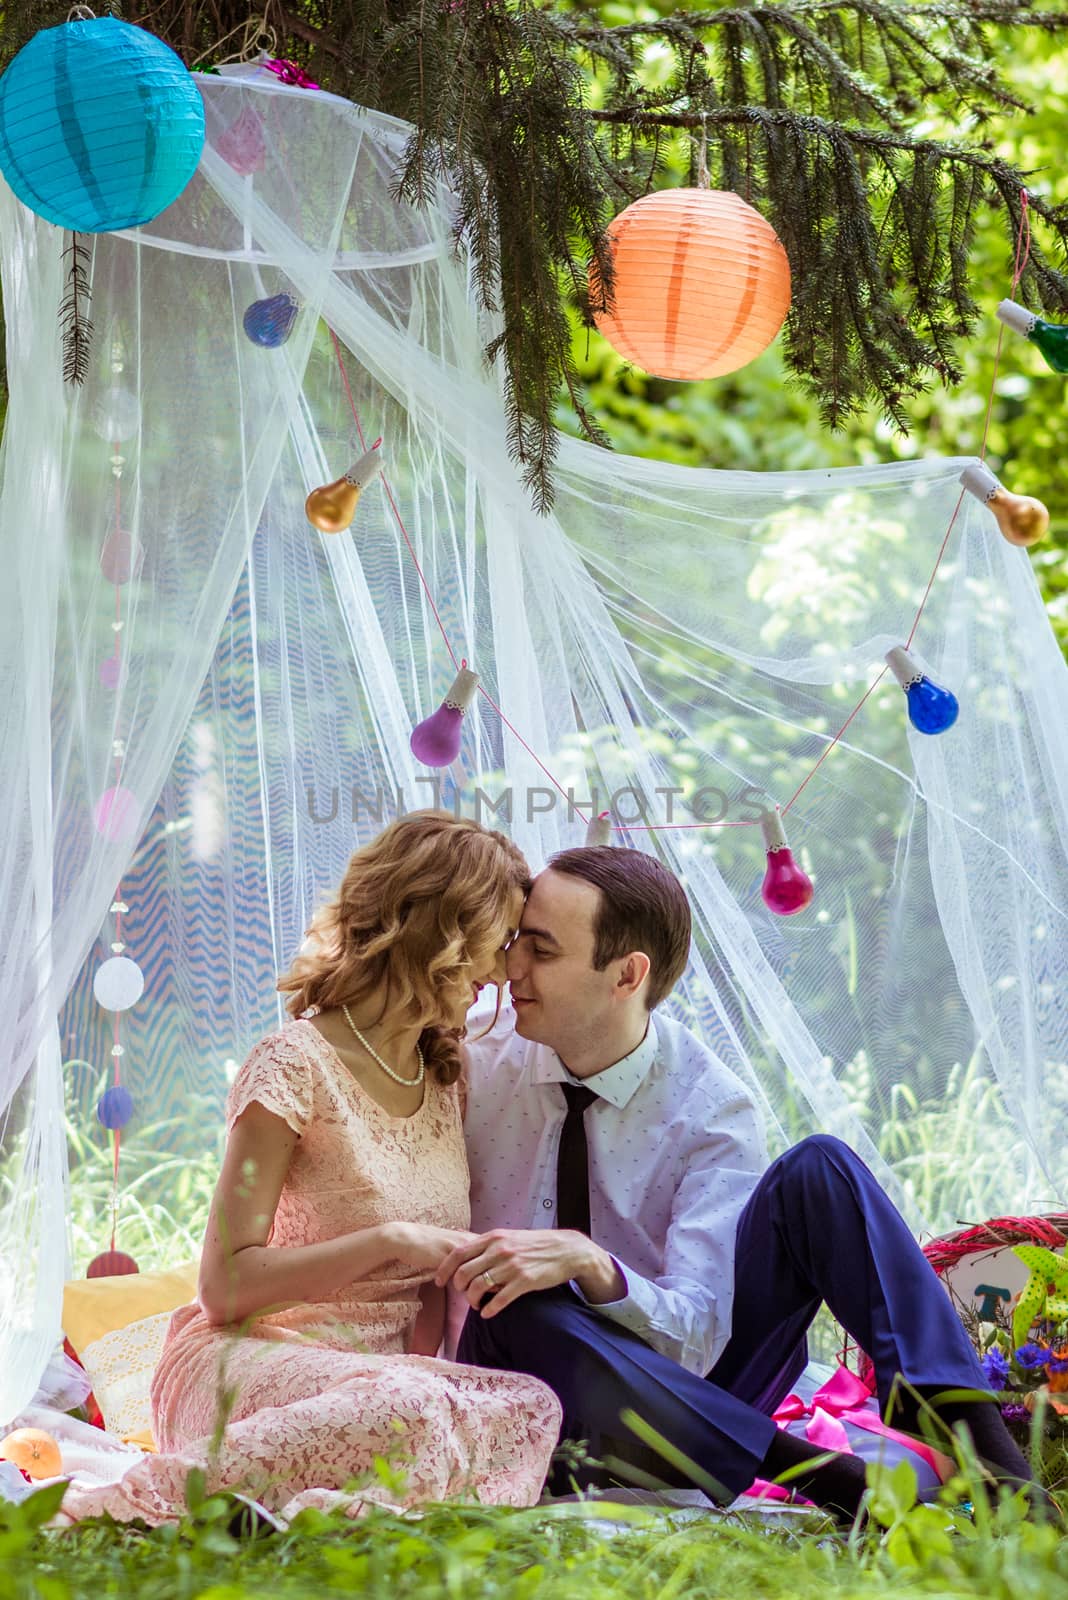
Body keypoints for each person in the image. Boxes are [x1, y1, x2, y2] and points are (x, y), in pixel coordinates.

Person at [437, 845, 1039, 1521]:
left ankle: (990, 1457)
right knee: (511, 1295)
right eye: (518, 941)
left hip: (698, 1394)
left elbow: (697, 1336)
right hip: (531, 1385)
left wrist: (595, 1266)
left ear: (626, 975)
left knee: (821, 1169)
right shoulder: (474, 1068)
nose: (509, 968)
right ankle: (814, 1473)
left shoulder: (710, 1106)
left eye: (541, 952)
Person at [57, 813, 561, 1525]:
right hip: (244, 1359)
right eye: (499, 940)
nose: (504, 969)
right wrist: (390, 1242)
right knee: (416, 1408)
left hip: (373, 1388)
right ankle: (133, 1502)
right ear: (441, 928)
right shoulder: (292, 1065)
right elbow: (224, 1286)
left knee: (529, 1407)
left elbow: (419, 1316)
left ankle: (318, 1516)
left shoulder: (447, 1076)